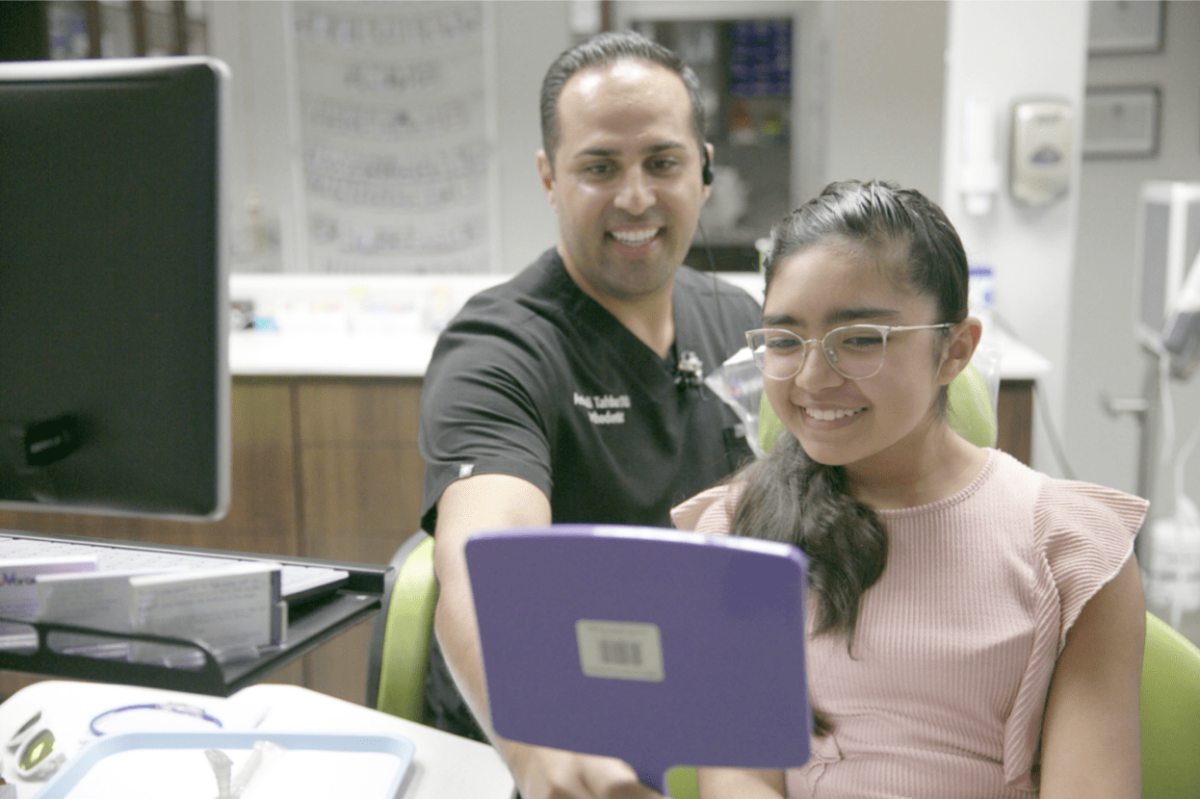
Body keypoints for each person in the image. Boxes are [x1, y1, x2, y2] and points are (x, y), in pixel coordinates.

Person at [671, 180, 1148, 798]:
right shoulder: (739, 529)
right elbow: (736, 778)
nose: (814, 378)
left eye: (861, 339)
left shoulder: (1074, 550)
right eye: (786, 341)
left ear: (954, 350)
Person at [417, 31, 760, 798]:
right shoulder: (500, 348)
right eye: (600, 166)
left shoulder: (742, 323)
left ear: (703, 169)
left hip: (711, 713)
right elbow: (483, 563)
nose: (635, 197)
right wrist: (539, 744)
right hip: (553, 728)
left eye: (662, 162)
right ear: (549, 177)